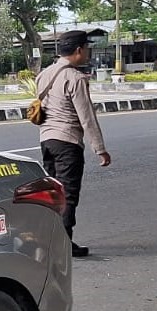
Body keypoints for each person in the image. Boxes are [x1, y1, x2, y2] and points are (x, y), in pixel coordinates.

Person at [37, 29, 112, 258]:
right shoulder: (75, 78)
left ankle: (50, 240)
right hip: (67, 141)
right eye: (87, 49)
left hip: (47, 140)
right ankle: (64, 243)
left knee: (53, 193)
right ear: (79, 50)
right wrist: (100, 149)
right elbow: (86, 117)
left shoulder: (45, 74)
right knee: (68, 195)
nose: (89, 53)